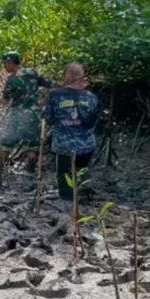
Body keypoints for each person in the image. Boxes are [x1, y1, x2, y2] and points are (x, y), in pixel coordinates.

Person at [44, 62, 99, 201]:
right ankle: (84, 203)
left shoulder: (54, 95)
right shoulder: (91, 97)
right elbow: (93, 121)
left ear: (66, 76)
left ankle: (67, 205)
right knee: (82, 177)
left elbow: (48, 119)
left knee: (65, 181)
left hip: (64, 146)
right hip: (86, 146)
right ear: (82, 77)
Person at [0, 51, 53, 178]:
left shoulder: (12, 79)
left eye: (5, 64)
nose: (4, 67)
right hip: (33, 116)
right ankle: (30, 174)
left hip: (17, 116)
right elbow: (50, 84)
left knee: (6, 144)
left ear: (11, 62)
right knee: (32, 146)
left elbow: (5, 100)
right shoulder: (32, 73)